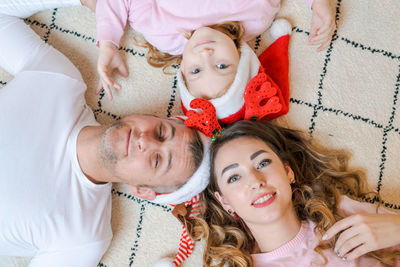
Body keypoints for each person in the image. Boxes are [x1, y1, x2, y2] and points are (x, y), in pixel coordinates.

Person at [0, 1, 209, 266]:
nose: (145, 141)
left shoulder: (82, 238)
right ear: (153, 116)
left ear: (143, 191)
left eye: (157, 160)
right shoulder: (61, 81)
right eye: (160, 131)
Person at [191, 120, 400, 267]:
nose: (256, 181)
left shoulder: (338, 214)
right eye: (234, 178)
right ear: (224, 201)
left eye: (262, 163)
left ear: (288, 172)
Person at [94, 0, 336, 104]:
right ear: (241, 59)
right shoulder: (254, 16)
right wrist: (319, 4)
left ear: (183, 70)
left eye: (196, 70)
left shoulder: (165, 34)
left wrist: (108, 43)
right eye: (222, 66)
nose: (206, 55)